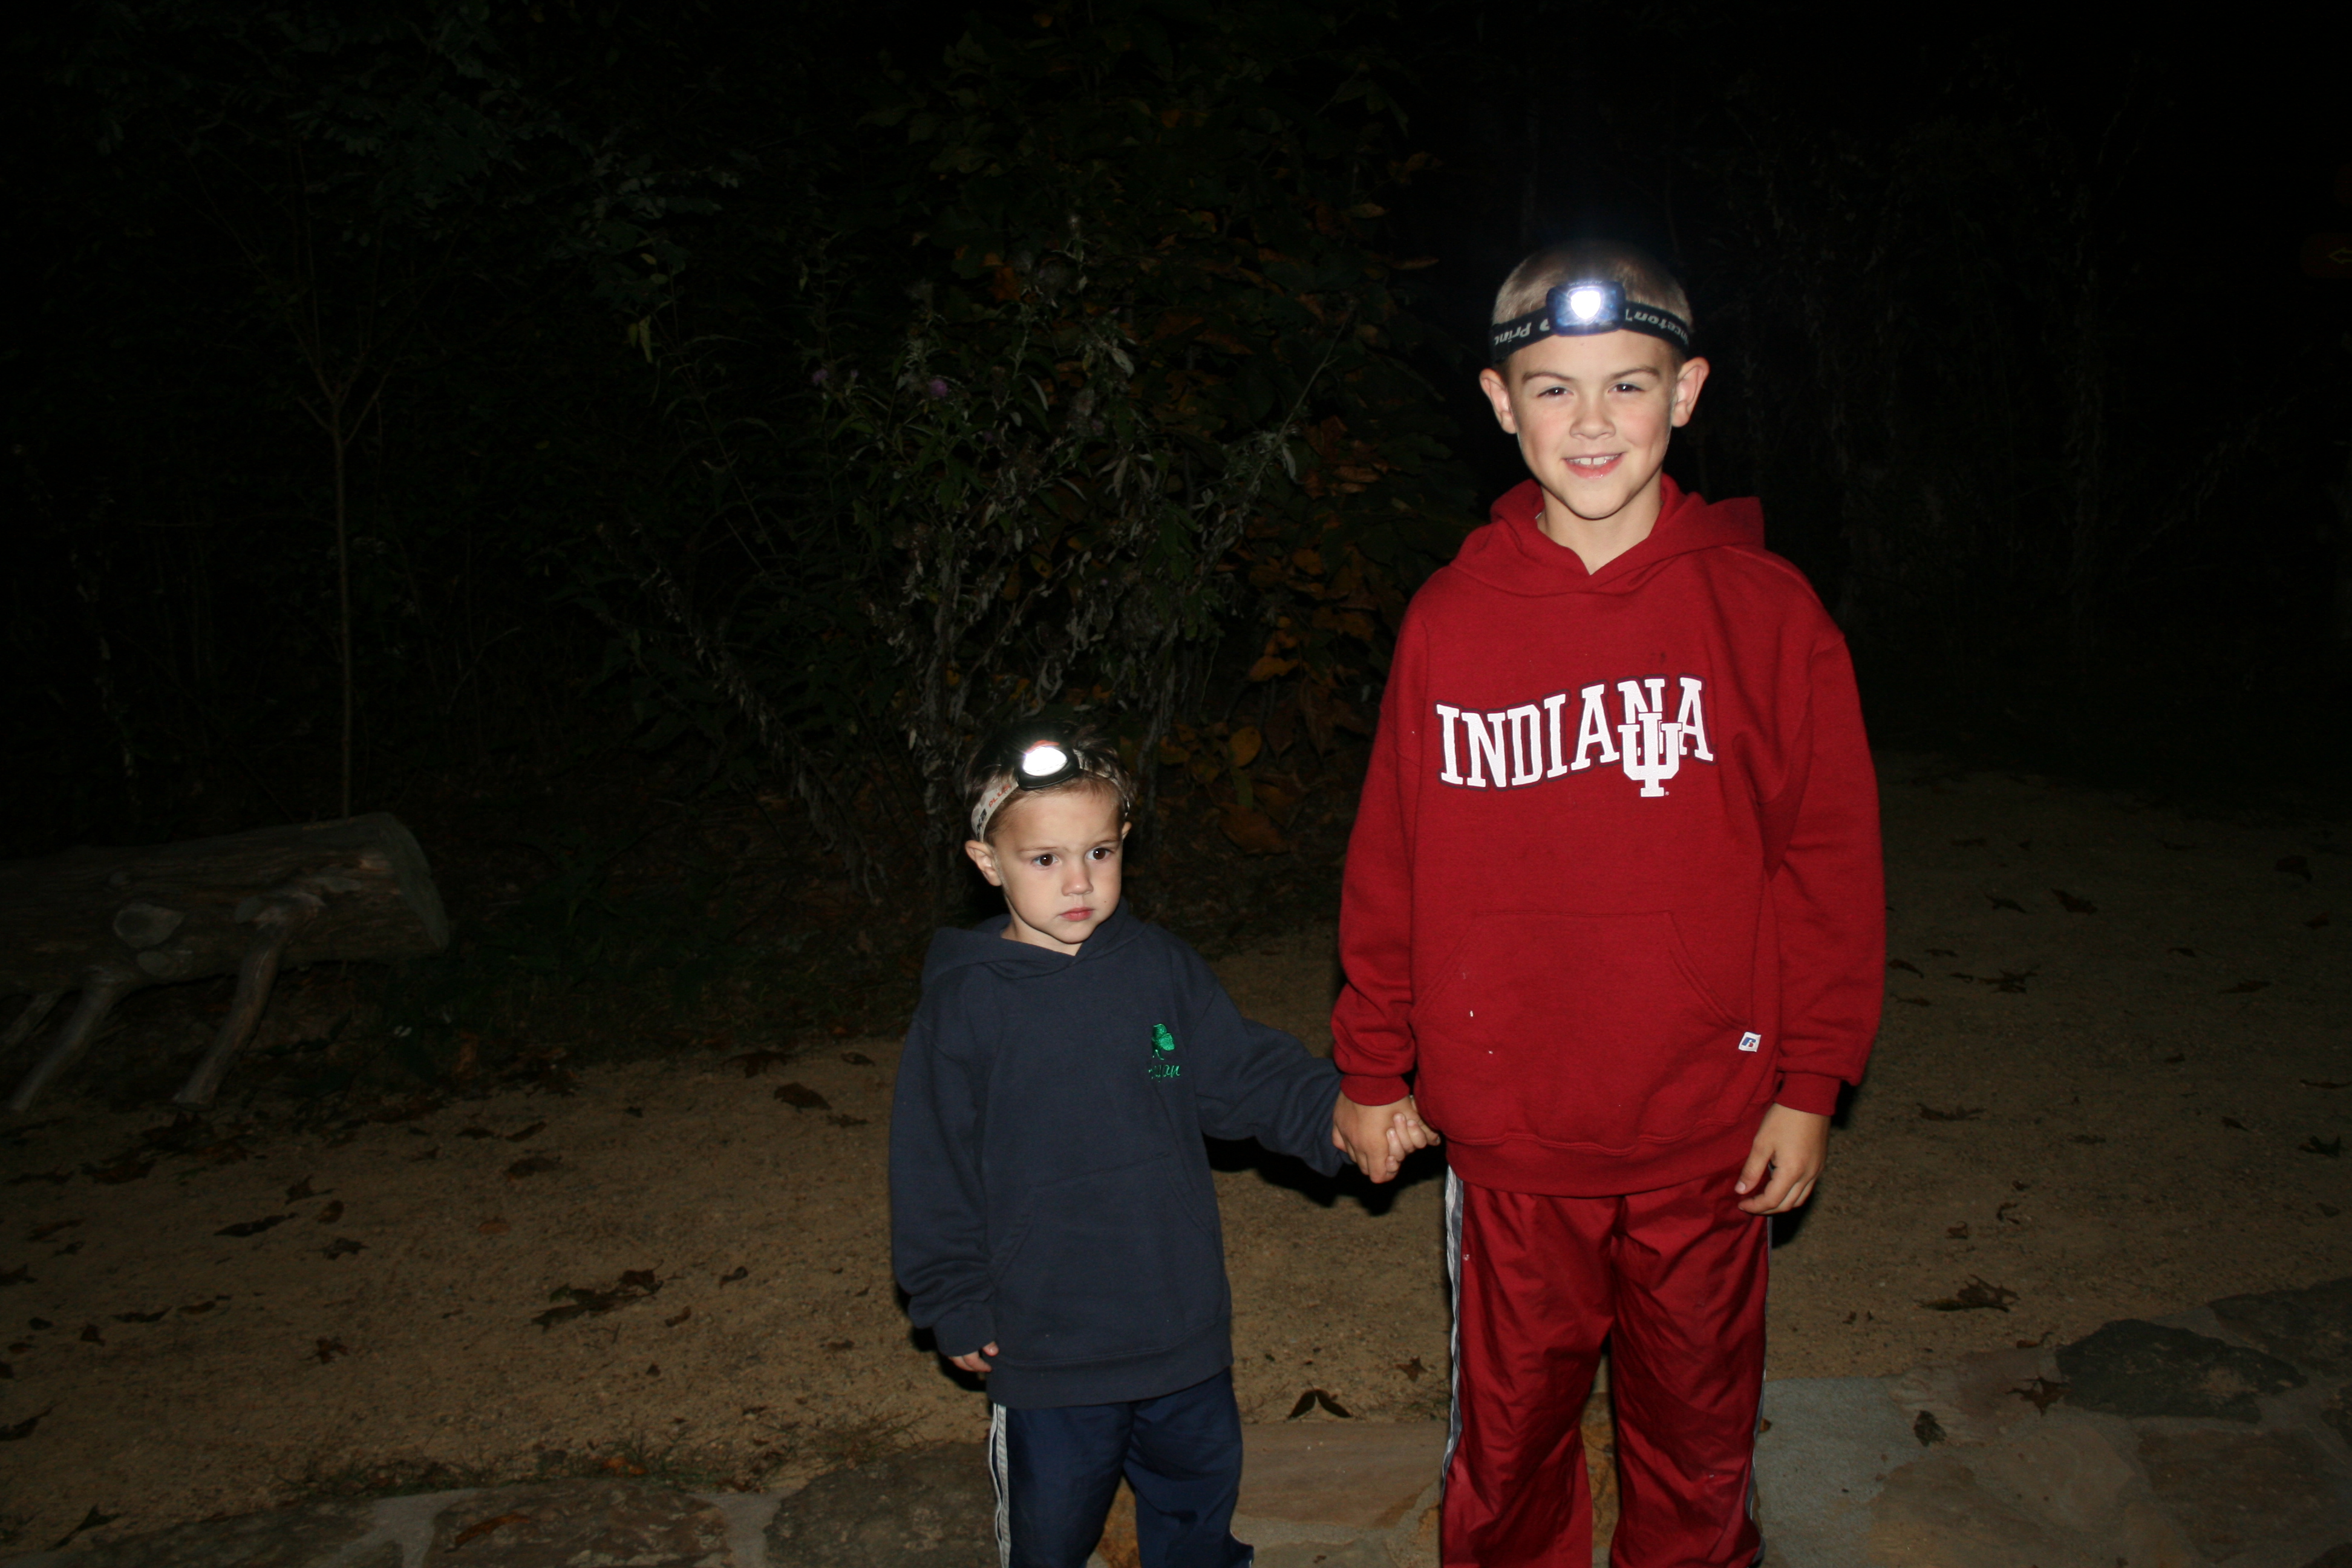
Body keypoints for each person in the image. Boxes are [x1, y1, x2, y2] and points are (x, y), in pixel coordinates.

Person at [1328, 241, 1885, 1566]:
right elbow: (1391, 855)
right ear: (1499, 401)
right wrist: (1372, 1062)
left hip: (1707, 1120)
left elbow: (1829, 865)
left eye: (1628, 385)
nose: (1593, 422)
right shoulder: (1450, 618)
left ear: (1685, 393)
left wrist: (1811, 1081)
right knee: (1511, 1429)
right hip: (1512, 1124)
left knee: (1700, 1422)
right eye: (1554, 387)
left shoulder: (1766, 612)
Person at [891, 720, 1375, 1568]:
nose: (1079, 881)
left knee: (1197, 1516)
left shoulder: (1158, 967)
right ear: (987, 863)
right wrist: (951, 1295)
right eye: (1046, 859)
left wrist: (1340, 1112)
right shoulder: (965, 1007)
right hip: (1048, 1347)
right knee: (1052, 1536)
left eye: (1100, 852)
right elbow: (932, 1166)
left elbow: (1242, 1074)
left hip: (1179, 1329)